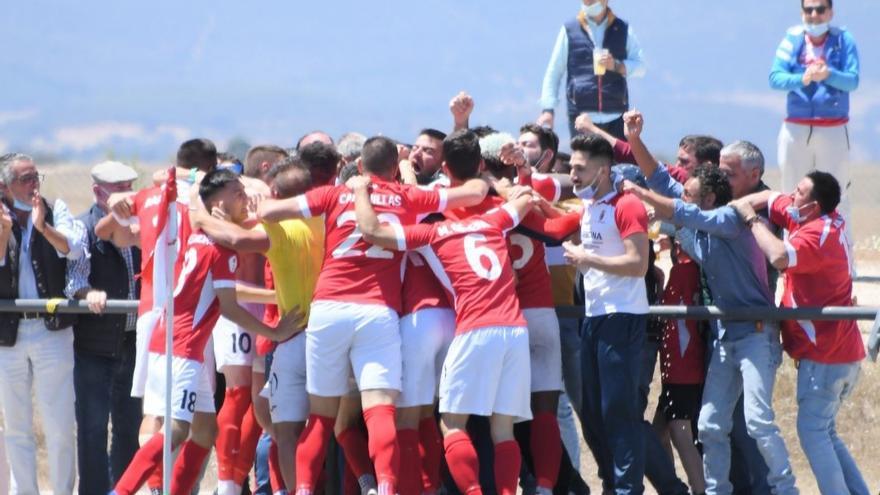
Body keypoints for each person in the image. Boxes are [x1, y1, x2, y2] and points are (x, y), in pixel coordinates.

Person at [258, 136, 490, 495]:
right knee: (379, 411)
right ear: (394, 169)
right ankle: (385, 486)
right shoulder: (406, 196)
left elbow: (269, 213)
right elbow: (473, 192)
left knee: (321, 416)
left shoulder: (333, 195)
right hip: (378, 311)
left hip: (328, 308)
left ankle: (302, 489)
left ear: (361, 168)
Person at [349, 132, 541, 495]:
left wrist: (370, 186)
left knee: (450, 422)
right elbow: (526, 198)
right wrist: (505, 180)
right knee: (504, 430)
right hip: (515, 329)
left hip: (468, 327)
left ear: (445, 170)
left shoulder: (433, 231)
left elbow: (373, 231)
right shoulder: (494, 221)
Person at [112, 169, 304, 495]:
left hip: (183, 344)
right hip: (182, 347)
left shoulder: (200, 236)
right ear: (218, 201)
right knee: (175, 430)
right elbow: (229, 306)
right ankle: (121, 491)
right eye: (237, 192)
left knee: (204, 431)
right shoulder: (221, 250)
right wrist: (272, 331)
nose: (245, 197)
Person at [623, 165, 799, 495]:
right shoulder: (698, 231)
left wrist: (638, 192)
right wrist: (632, 140)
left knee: (758, 422)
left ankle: (785, 490)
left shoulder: (728, 220)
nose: (682, 197)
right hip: (725, 337)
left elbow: (676, 207)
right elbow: (667, 188)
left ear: (709, 198)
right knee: (709, 426)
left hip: (755, 336)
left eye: (689, 195)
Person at [192, 156, 325, 492]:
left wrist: (200, 213)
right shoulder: (322, 221)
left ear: (277, 196)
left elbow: (236, 240)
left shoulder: (280, 230)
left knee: (285, 429)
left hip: (295, 335)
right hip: (325, 333)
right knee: (280, 412)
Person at [731, 171, 868, 495]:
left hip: (826, 355)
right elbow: (770, 196)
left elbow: (778, 256)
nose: (793, 194)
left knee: (813, 432)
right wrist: (733, 208)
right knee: (825, 431)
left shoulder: (817, 235)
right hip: (840, 352)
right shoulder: (820, 218)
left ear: (814, 205)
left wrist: (750, 220)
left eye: (800, 192)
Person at [560, 135, 650, 494]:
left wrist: (587, 258)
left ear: (603, 170)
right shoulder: (590, 205)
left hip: (622, 317)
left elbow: (638, 263)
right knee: (593, 415)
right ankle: (612, 485)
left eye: (580, 169)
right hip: (594, 318)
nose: (573, 175)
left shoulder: (626, 205)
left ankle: (628, 489)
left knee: (619, 414)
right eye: (571, 167)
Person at [0, 153, 86, 495]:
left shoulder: (54, 209)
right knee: (17, 425)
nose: (34, 184)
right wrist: (5, 232)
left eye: (36, 177)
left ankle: (64, 491)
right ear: (5, 186)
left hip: (51, 331)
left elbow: (75, 249)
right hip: (9, 334)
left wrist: (42, 227)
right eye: (25, 179)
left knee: (61, 424)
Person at [65, 161, 143, 494]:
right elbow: (74, 280)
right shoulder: (83, 226)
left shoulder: (141, 225)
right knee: (94, 428)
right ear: (99, 192)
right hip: (95, 345)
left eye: (130, 186)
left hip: (133, 340)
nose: (128, 195)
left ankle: (122, 489)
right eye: (120, 188)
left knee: (129, 426)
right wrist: (88, 293)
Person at [770, 0, 859, 245]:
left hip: (833, 127)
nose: (814, 15)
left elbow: (852, 80)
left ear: (830, 12)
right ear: (802, 12)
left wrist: (829, 74)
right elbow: (775, 78)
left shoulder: (843, 40)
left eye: (820, 9)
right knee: (792, 193)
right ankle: (792, 252)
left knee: (838, 194)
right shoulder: (792, 39)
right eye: (808, 9)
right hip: (796, 126)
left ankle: (843, 257)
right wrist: (803, 78)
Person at [538, 0, 646, 140]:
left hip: (617, 117)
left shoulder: (623, 29)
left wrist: (616, 65)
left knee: (619, 162)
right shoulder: (569, 29)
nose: (588, 3)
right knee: (583, 162)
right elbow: (554, 72)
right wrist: (548, 109)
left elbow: (640, 66)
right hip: (581, 118)